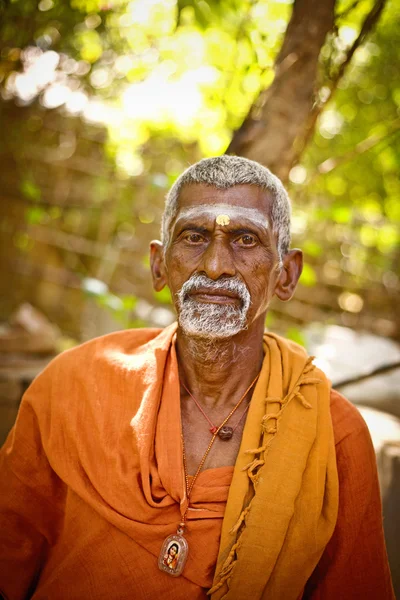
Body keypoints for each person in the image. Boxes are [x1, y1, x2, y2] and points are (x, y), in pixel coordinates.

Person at [0, 156, 394, 600]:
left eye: (246, 239)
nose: (215, 265)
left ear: (287, 274)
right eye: (194, 236)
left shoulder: (334, 435)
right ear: (159, 265)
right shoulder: (72, 386)